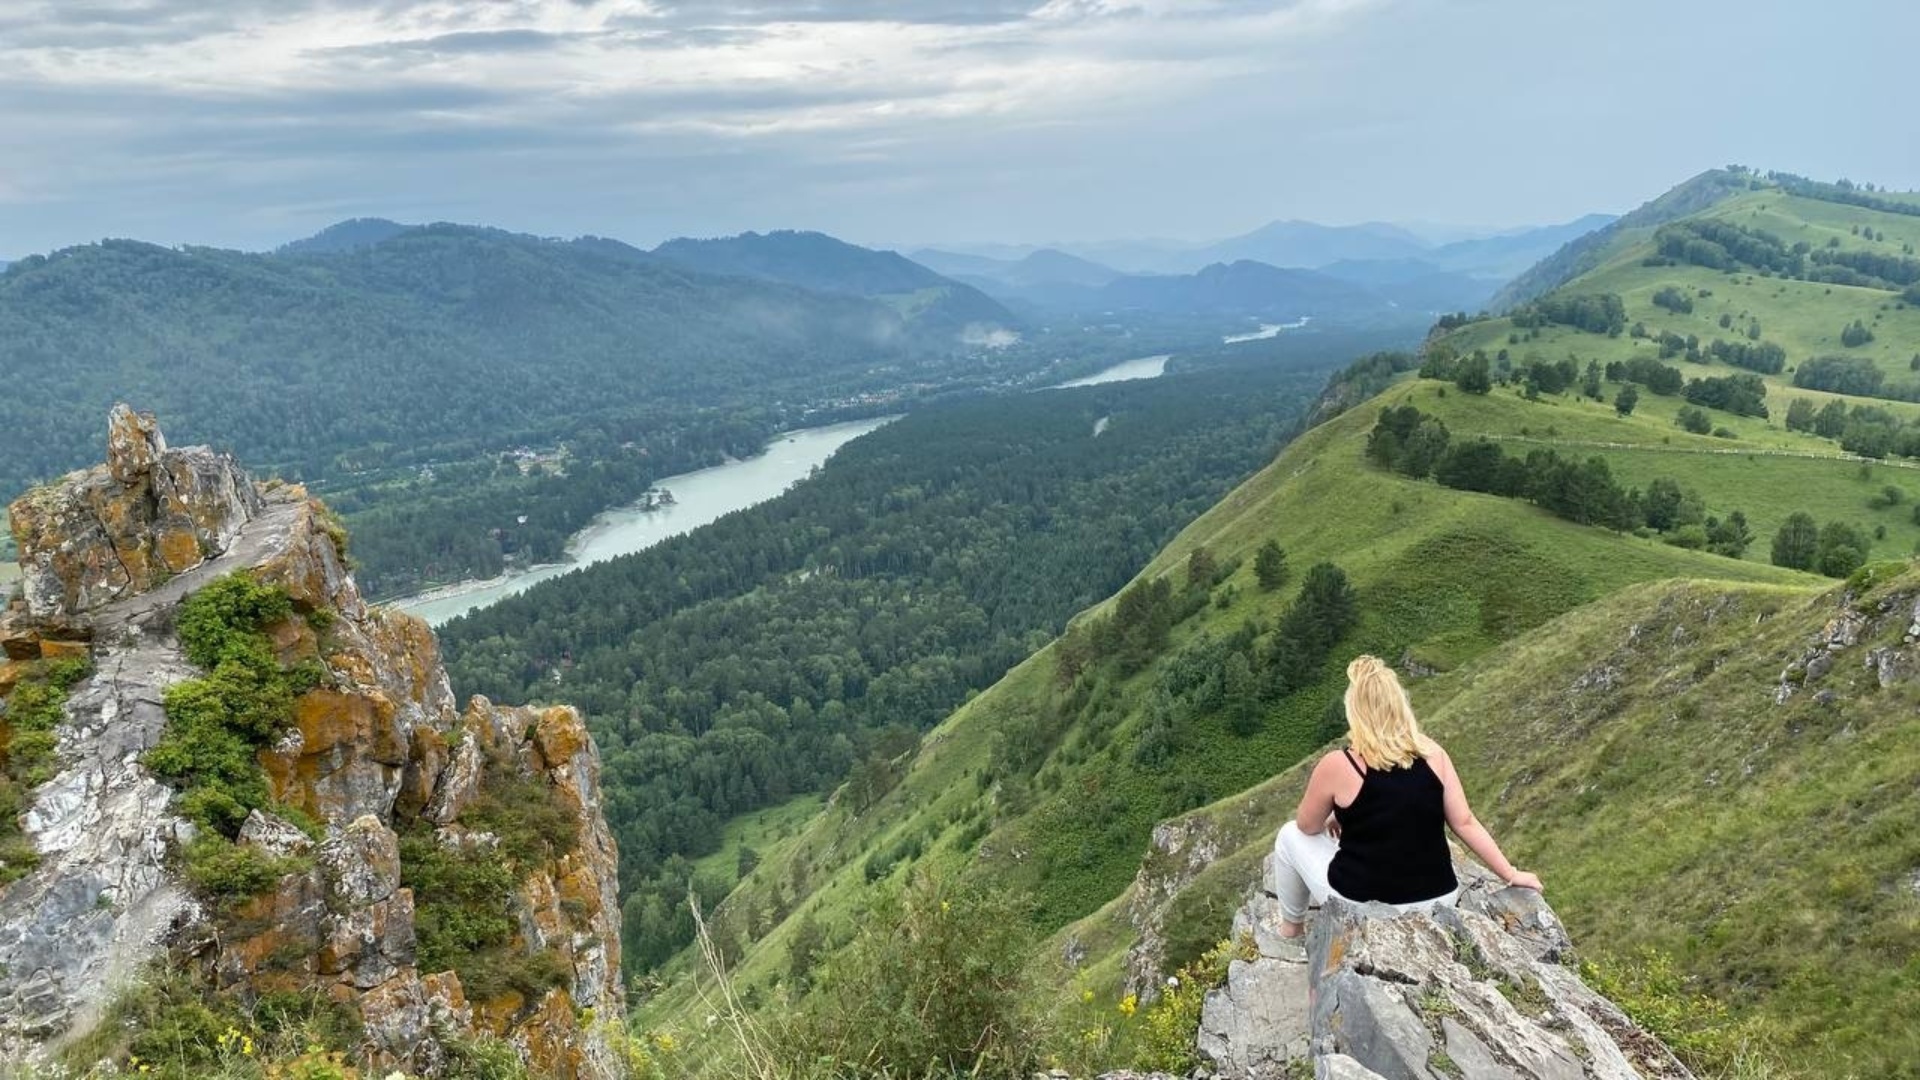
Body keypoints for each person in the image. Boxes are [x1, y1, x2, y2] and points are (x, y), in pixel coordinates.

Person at [1272, 654, 1542, 938]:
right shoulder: (1433, 754)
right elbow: (1464, 822)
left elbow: (1307, 826)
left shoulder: (1339, 764)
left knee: (1288, 836)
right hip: (1439, 899)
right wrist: (1510, 873)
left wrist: (1335, 813)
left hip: (1365, 903)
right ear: (1400, 706)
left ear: (1356, 713)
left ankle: (1292, 930)